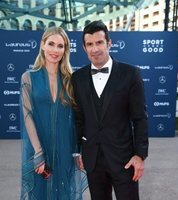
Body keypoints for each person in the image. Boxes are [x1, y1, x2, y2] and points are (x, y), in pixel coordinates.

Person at [72, 20, 149, 200]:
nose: (95, 49)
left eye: (99, 42)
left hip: (124, 159)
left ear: (109, 43)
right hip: (92, 160)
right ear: (84, 47)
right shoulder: (77, 78)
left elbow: (140, 118)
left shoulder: (130, 74)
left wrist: (140, 155)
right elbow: (78, 118)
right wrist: (78, 150)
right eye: (89, 44)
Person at [20, 27, 87, 200]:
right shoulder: (28, 77)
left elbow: (79, 118)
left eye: (60, 46)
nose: (55, 50)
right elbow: (27, 115)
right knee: (40, 192)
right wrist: (38, 151)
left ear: (65, 50)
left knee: (64, 191)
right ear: (42, 45)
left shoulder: (71, 80)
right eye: (51, 44)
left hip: (65, 147)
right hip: (38, 146)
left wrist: (78, 151)